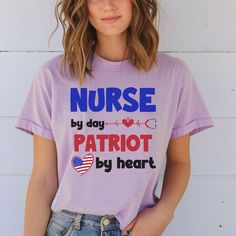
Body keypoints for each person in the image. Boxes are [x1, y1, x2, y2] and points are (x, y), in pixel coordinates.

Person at [15, 0, 215, 236]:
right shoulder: (53, 77)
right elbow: (43, 180)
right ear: (82, 6)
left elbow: (179, 161)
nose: (108, 6)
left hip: (136, 226)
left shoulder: (173, 75)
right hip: (69, 226)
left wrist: (165, 211)